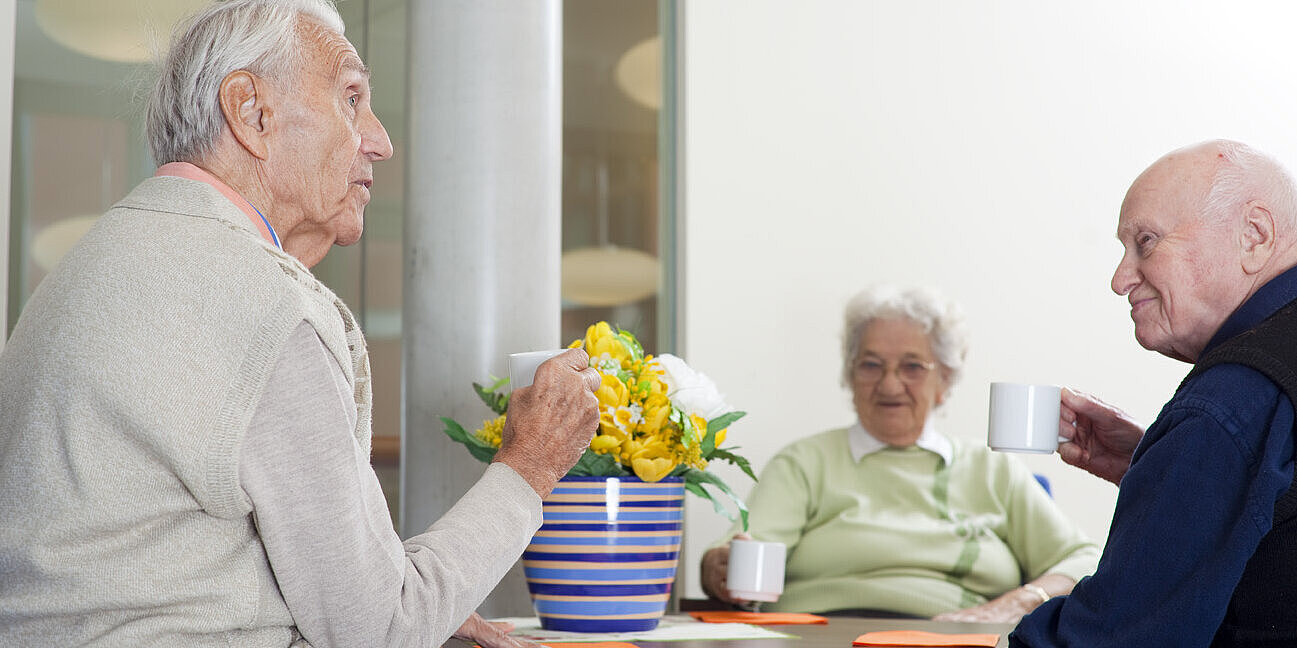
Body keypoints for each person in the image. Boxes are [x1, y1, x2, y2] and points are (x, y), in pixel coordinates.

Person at [0, 1, 600, 646]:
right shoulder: (264, 305)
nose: (381, 141)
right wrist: (529, 466)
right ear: (251, 113)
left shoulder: (93, 263)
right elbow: (378, 630)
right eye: (351, 99)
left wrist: (417, 596)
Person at [1010, 140, 1297, 647]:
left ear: (1254, 235)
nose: (1119, 280)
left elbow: (1111, 638)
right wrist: (1162, 464)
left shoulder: (1229, 403)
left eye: (1146, 242)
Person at [700, 286, 1100, 623]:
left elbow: (1084, 559)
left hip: (950, 637)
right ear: (850, 375)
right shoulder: (804, 463)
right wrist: (717, 569)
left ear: (945, 379)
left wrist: (1022, 601)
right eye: (871, 365)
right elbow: (742, 556)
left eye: (912, 367)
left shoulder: (993, 470)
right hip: (822, 634)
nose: (889, 385)